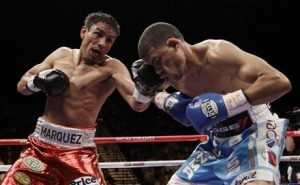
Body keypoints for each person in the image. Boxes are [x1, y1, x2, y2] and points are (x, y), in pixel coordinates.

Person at [131, 22, 292, 185]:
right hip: (218, 140)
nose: (157, 71)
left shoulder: (217, 54)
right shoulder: (170, 75)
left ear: (175, 44)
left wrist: (226, 104)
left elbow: (279, 82)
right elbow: (139, 105)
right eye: (152, 66)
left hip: (256, 128)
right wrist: (144, 90)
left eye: (157, 61)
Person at [1, 11, 148, 185]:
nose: (102, 43)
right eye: (98, 34)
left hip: (79, 154)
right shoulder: (61, 55)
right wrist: (36, 82)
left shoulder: (112, 68)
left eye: (109, 40)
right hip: (39, 148)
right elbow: (21, 86)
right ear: (84, 31)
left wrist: (146, 88)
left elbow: (137, 103)